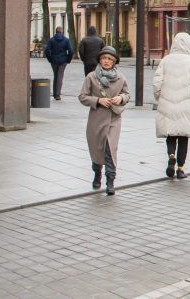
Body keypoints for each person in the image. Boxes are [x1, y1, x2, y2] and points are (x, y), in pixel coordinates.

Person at [78, 46, 129, 195]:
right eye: (104, 58)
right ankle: (97, 173)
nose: (106, 61)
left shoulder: (120, 77)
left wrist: (121, 98)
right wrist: (98, 100)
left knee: (110, 150)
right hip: (96, 119)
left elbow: (126, 94)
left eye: (109, 59)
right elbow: (82, 96)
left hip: (114, 119)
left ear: (114, 62)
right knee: (96, 148)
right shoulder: (91, 77)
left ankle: (110, 181)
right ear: (100, 60)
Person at [153, 32, 190, 179]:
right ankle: (180, 168)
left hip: (167, 103)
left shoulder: (165, 60)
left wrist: (159, 97)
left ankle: (171, 155)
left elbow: (157, 83)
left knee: (170, 134)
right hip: (186, 105)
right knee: (183, 136)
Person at [44, 26, 73, 101]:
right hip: (63, 61)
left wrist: (50, 59)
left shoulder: (52, 40)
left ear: (55, 31)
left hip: (54, 61)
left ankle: (55, 94)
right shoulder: (66, 40)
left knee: (56, 76)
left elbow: (47, 51)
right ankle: (57, 94)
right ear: (62, 31)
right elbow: (71, 51)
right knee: (60, 76)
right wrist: (68, 60)